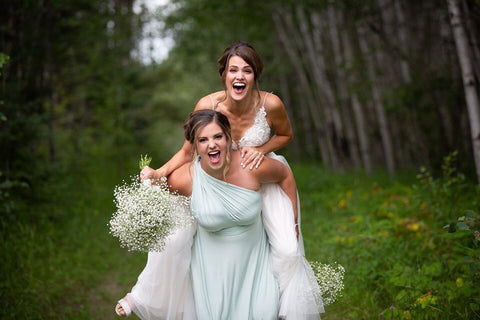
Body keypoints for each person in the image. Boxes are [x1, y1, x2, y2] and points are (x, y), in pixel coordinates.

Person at [134, 42, 324, 318]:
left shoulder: (271, 104)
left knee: (287, 250)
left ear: (255, 75)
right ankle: (156, 296)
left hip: (259, 178)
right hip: (216, 179)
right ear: (224, 75)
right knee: (176, 240)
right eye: (233, 70)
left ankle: (280, 306)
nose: (240, 76)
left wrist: (261, 150)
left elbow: (286, 136)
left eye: (247, 71)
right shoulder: (207, 105)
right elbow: (188, 150)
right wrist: (159, 173)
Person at [116, 110, 302, 319]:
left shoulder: (251, 166)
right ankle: (141, 294)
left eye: (217, 137)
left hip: (256, 270)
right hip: (210, 278)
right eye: (203, 140)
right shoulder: (186, 179)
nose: (211, 144)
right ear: (195, 146)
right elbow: (159, 194)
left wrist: (292, 222)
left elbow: (285, 175)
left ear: (228, 138)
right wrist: (151, 176)